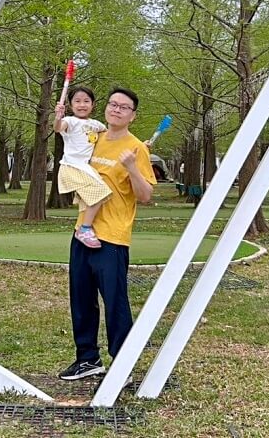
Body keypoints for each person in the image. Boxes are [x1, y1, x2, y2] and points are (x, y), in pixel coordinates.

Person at [59, 87, 157, 381]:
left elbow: (145, 195)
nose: (116, 109)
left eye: (123, 107)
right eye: (112, 104)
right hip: (82, 233)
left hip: (112, 238)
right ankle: (87, 359)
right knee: (81, 299)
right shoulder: (95, 137)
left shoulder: (137, 148)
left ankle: (123, 365)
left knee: (115, 302)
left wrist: (132, 169)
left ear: (132, 115)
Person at [54, 86, 109, 249]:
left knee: (95, 197)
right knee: (100, 192)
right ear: (70, 105)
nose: (82, 105)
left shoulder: (96, 125)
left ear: (92, 105)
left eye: (86, 101)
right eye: (77, 101)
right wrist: (58, 117)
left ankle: (85, 226)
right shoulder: (70, 121)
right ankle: (85, 229)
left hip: (85, 168)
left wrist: (140, 145)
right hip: (71, 166)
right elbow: (57, 128)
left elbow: (112, 137)